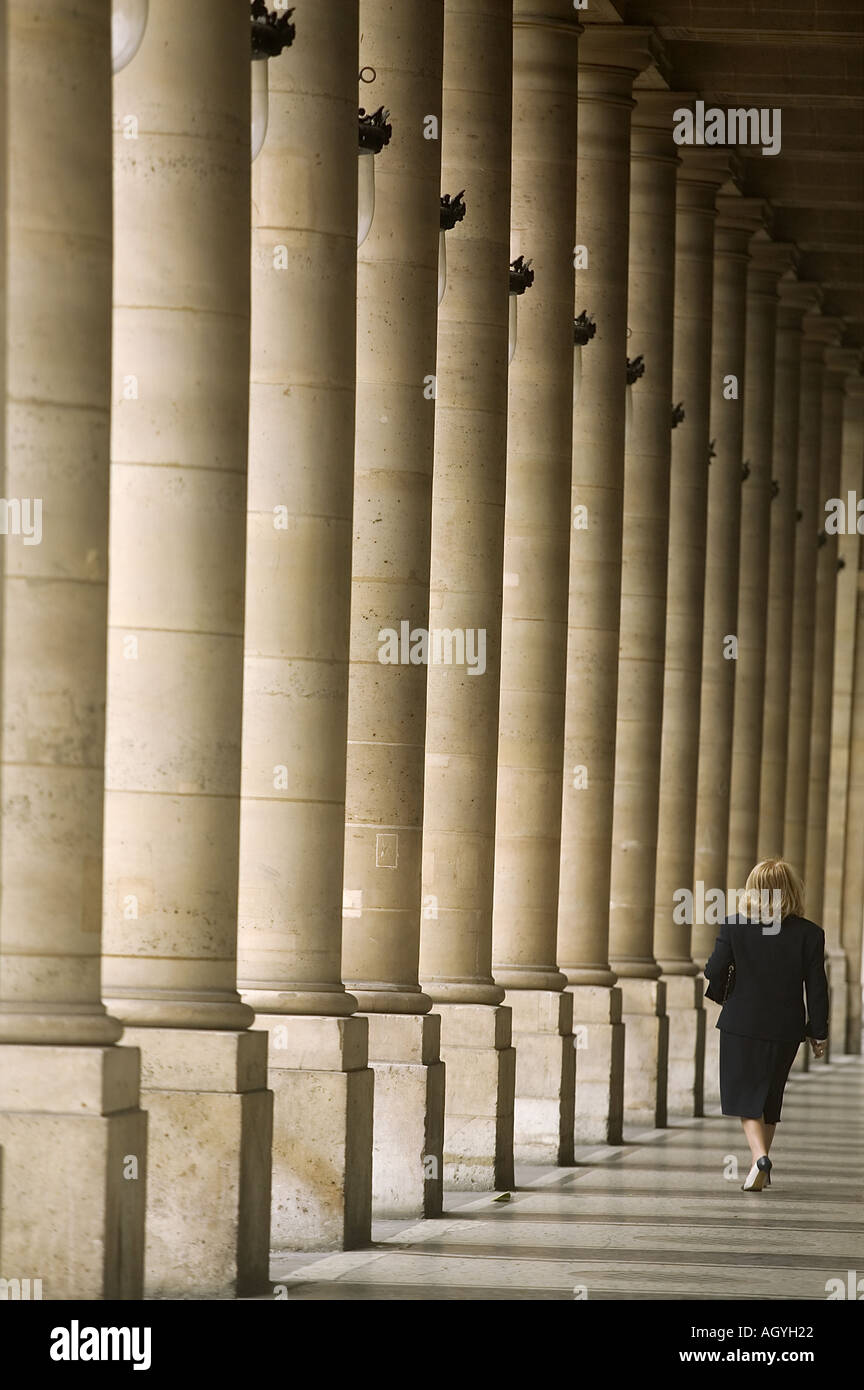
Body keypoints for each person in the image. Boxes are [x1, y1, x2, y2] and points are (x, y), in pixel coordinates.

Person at [704, 857, 829, 1193]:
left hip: (741, 1023)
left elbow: (714, 970)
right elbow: (816, 986)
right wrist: (819, 1031)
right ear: (792, 890)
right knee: (770, 1098)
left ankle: (760, 1158)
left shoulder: (734, 925)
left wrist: (721, 995)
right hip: (786, 1028)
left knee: (746, 1096)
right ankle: (760, 1167)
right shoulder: (810, 934)